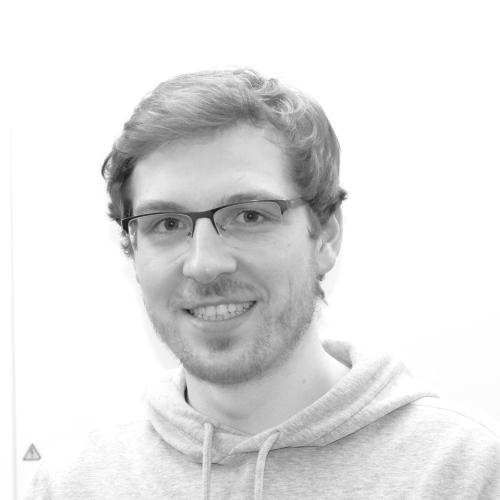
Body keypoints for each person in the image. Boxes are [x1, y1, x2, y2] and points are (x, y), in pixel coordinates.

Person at [24, 69, 499, 499]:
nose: (204, 264)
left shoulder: (464, 473)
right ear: (131, 249)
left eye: (249, 216)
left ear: (325, 236)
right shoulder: (73, 484)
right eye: (166, 224)